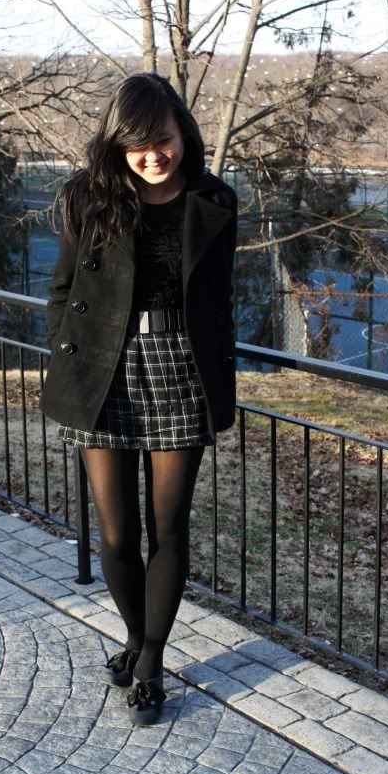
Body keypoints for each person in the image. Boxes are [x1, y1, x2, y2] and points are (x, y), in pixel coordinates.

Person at [39, 72, 238, 726]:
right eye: (137, 146)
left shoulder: (214, 200)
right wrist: (67, 357)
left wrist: (220, 379)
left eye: (162, 140)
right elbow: (63, 290)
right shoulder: (87, 197)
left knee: (168, 528)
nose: (153, 156)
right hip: (102, 369)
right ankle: (134, 636)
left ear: (182, 131)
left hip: (180, 367)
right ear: (117, 145)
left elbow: (219, 302)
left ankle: (149, 664)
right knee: (117, 533)